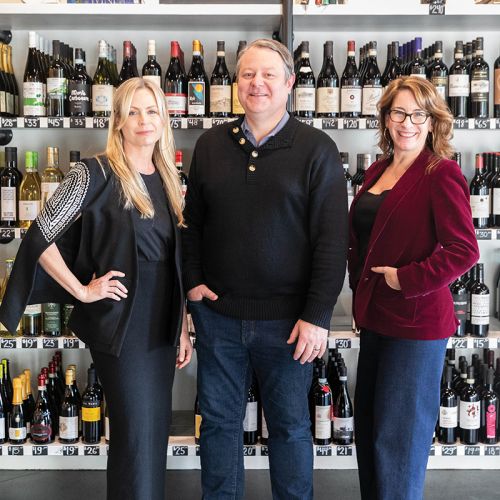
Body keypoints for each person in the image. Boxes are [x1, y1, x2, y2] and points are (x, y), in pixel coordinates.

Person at [0, 77, 193, 500]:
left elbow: (171, 262)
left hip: (161, 323)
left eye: (152, 111)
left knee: (151, 433)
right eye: (133, 112)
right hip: (123, 325)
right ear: (118, 120)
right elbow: (39, 236)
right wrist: (83, 291)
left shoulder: (166, 176)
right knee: (134, 433)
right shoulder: (95, 172)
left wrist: (181, 326)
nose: (144, 120)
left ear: (164, 118)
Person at [182, 38, 348, 500]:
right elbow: (191, 225)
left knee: (290, 427)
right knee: (218, 425)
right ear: (237, 82)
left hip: (289, 324)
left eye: (269, 74)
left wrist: (317, 316)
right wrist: (192, 282)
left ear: (289, 83)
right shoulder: (210, 146)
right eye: (248, 74)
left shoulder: (317, 149)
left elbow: (333, 242)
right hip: (218, 317)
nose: (257, 83)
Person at [348, 76, 479, 500]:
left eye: (418, 114)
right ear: (386, 119)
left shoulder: (440, 173)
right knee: (370, 436)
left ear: (432, 121)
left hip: (416, 325)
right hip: (376, 319)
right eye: (399, 113)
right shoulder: (378, 170)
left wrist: (405, 279)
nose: (408, 123)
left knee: (398, 445)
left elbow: (465, 250)